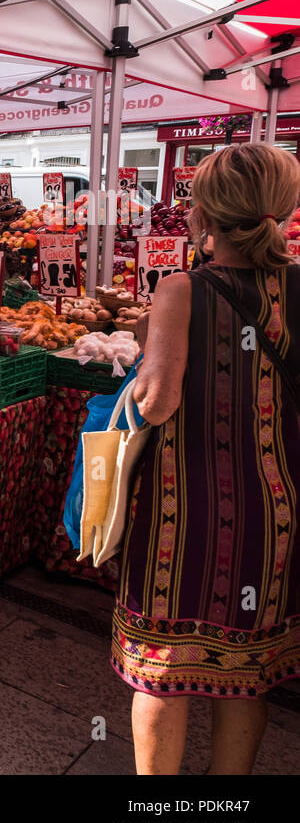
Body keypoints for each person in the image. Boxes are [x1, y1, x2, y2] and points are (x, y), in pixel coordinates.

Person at [117, 143, 300, 774]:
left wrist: (146, 350)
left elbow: (158, 401)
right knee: (246, 675)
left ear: (203, 214)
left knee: (163, 673)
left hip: (185, 512)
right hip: (274, 511)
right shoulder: (296, 287)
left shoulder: (183, 289)